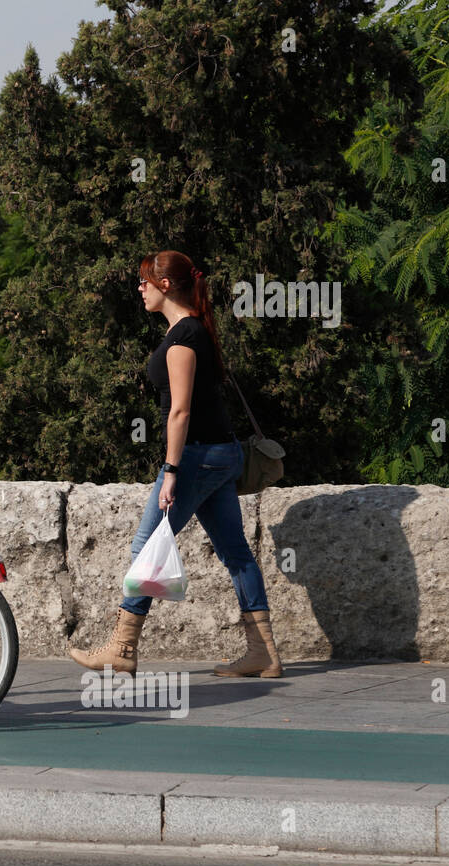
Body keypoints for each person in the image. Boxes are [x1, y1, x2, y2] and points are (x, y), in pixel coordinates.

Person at [68, 250, 283, 678]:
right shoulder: (196, 330)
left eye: (145, 280)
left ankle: (123, 648)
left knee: (145, 546)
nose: (140, 287)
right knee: (236, 554)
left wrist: (171, 470)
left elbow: (179, 412)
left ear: (166, 285)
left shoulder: (184, 337)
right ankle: (265, 654)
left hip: (198, 456)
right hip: (221, 455)